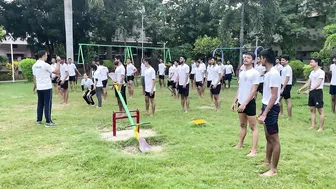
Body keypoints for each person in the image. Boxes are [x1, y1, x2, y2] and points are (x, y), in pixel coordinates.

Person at [257, 48, 281, 177]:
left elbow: (274, 95)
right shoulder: (268, 73)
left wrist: (265, 113)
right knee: (268, 137)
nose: (260, 60)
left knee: (274, 139)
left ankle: (274, 169)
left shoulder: (273, 74)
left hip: (271, 108)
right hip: (266, 106)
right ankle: (267, 161)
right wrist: (262, 110)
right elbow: (267, 96)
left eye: (261, 58)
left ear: (265, 59)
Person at [232, 52, 259, 157]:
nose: (246, 59)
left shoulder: (255, 73)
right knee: (243, 125)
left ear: (253, 60)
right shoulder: (242, 72)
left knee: (253, 126)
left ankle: (254, 150)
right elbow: (240, 88)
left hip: (249, 103)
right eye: (245, 57)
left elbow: (253, 90)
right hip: (241, 102)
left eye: (248, 57)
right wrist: (235, 101)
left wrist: (245, 103)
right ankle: (240, 144)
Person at [32, 50, 60, 127]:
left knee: (40, 103)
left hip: (39, 87)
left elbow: (34, 77)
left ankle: (39, 120)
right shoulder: (45, 65)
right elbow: (57, 72)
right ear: (43, 56)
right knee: (47, 103)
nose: (47, 57)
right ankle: (48, 121)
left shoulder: (34, 65)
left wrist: (35, 86)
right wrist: (58, 62)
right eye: (46, 55)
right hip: (46, 87)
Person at [297, 58, 325, 131]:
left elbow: (318, 84)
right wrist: (301, 89)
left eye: (312, 62)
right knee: (312, 109)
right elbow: (308, 83)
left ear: (316, 63)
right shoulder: (312, 72)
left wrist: (309, 90)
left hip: (317, 92)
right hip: (312, 92)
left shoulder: (321, 72)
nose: (310, 63)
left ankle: (321, 127)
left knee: (320, 110)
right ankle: (312, 125)